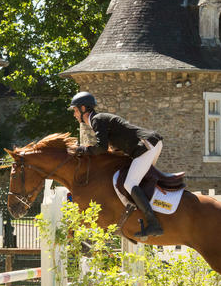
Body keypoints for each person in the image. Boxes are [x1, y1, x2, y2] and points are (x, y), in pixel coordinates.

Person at [69, 91, 164, 238]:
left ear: (83, 108)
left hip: (146, 145)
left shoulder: (97, 119)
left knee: (130, 183)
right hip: (150, 144)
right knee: (139, 183)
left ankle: (154, 224)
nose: (74, 114)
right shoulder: (99, 120)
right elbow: (112, 147)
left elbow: (101, 148)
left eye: (75, 110)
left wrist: (80, 149)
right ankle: (153, 216)